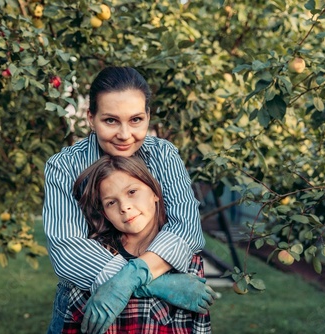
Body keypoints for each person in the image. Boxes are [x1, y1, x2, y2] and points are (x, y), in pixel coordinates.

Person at [43, 66, 213, 333]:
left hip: (160, 316)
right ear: (91, 117)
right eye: (110, 120)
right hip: (87, 306)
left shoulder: (163, 156)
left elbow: (187, 229)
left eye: (135, 120)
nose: (124, 135)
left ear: (148, 116)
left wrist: (133, 275)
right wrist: (156, 283)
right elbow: (68, 250)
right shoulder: (64, 166)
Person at [59, 155, 213, 333]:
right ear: (105, 214)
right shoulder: (94, 257)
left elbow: (199, 327)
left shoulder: (187, 261)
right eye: (111, 202)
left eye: (131, 192)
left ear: (155, 192)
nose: (124, 207)